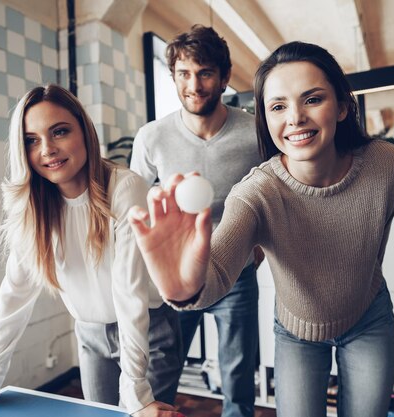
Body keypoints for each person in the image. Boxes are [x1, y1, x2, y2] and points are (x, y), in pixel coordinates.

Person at [128, 42, 394, 417]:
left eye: (312, 99)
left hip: (369, 317)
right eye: (278, 106)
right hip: (297, 331)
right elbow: (221, 269)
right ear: (265, 118)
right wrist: (183, 288)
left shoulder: (387, 166)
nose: (295, 118)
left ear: (342, 106)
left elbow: (372, 241)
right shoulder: (256, 192)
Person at [0, 84, 184, 417]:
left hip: (148, 331)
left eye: (59, 132)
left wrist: (137, 393)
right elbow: (14, 297)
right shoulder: (33, 208)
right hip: (90, 336)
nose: (48, 150)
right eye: (32, 140)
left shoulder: (125, 187)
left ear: (83, 131)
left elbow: (129, 294)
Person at [130, 25, 262, 417]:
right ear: (173, 77)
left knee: (238, 373)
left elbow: (273, 192)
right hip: (174, 274)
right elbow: (133, 201)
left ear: (223, 77)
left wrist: (256, 249)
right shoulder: (151, 137)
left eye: (205, 73)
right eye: (184, 73)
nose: (195, 84)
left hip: (235, 270)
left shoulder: (254, 132)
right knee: (163, 372)